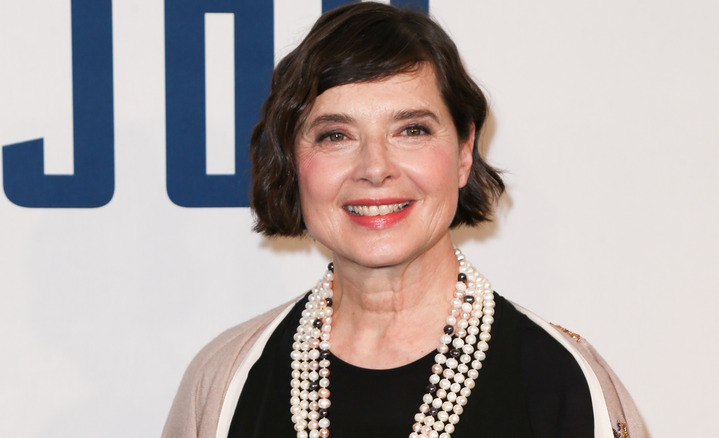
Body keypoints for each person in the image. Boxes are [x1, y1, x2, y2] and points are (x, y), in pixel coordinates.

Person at [162, 3, 644, 438]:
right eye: (335, 135)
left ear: (462, 152)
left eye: (412, 130)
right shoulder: (226, 380)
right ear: (292, 160)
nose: (375, 168)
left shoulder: (560, 381)